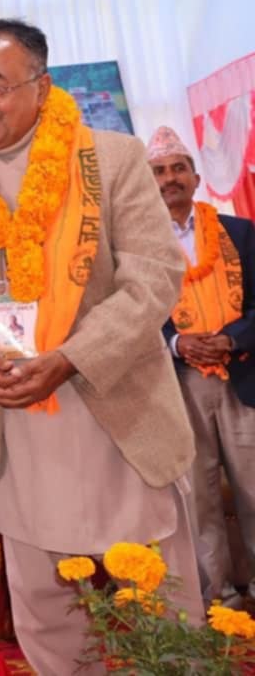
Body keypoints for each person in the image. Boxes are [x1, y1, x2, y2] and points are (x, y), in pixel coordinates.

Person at [0, 19, 203, 673]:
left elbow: (154, 276)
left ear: (42, 88)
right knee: (46, 603)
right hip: (13, 413)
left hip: (117, 403)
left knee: (161, 593)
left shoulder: (113, 158)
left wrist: (70, 357)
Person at [148, 125, 255, 608]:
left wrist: (231, 338)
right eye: (158, 171)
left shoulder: (239, 232)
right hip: (179, 382)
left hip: (242, 374)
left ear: (195, 177)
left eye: (178, 168)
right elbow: (135, 313)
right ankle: (220, 597)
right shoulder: (137, 244)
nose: (169, 178)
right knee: (200, 496)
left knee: (254, 487)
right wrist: (176, 342)